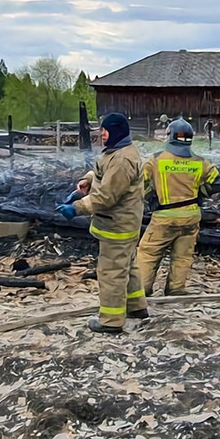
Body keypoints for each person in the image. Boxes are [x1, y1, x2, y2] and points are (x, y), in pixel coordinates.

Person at [56, 113, 148, 334]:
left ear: (115, 131)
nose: (101, 135)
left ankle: (111, 320)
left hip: (117, 226)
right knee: (128, 266)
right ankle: (136, 307)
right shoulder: (117, 152)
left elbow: (106, 196)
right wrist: (87, 180)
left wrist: (76, 208)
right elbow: (103, 172)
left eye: (104, 131)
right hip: (122, 225)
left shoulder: (123, 160)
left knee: (111, 272)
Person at [135, 118, 220, 296]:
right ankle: (176, 290)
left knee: (148, 254)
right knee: (182, 256)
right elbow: (218, 182)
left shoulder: (156, 160)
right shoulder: (200, 162)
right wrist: (201, 192)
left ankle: (141, 291)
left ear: (170, 137)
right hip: (191, 216)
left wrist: (148, 194)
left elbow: (138, 183)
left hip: (164, 218)